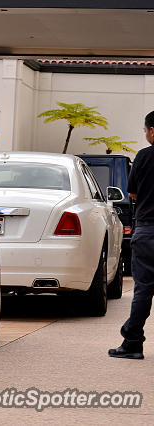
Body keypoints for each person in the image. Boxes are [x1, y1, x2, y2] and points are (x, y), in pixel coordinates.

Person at [109, 110, 154, 359]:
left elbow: (133, 194)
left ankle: (132, 342)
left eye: (146, 130)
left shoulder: (144, 156)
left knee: (144, 289)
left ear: (153, 131)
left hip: (149, 230)